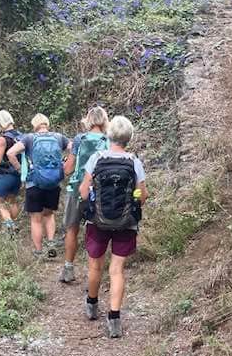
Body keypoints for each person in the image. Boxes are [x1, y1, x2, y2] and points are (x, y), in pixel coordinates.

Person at [79, 115, 147, 338]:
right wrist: (133, 197)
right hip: (126, 222)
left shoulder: (97, 158)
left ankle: (91, 305)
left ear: (109, 135)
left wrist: (94, 200)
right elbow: (142, 196)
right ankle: (114, 319)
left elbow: (83, 190)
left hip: (97, 220)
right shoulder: (134, 162)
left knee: (95, 266)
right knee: (117, 270)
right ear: (129, 137)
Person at [8, 114, 70, 258]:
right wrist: (65, 165)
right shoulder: (59, 137)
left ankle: (38, 251)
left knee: (36, 219)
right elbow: (74, 149)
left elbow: (11, 153)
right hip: (53, 183)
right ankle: (51, 244)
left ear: (34, 124)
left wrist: (21, 170)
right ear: (47, 124)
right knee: (49, 215)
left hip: (34, 183)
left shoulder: (29, 138)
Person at [59, 106, 109, 284]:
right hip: (99, 193)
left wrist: (64, 164)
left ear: (88, 120)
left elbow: (68, 169)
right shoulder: (108, 140)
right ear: (104, 120)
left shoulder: (80, 139)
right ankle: (93, 277)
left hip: (76, 190)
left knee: (72, 229)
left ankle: (68, 269)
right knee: (94, 232)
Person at [0, 110, 22, 233]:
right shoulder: (21, 136)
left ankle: (10, 226)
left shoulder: (3, 139)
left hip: (5, 175)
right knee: (12, 200)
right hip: (18, 175)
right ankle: (13, 224)